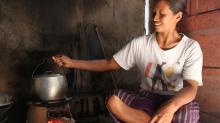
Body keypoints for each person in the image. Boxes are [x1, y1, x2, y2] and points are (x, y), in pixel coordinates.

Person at [52, 0, 203, 122]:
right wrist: (72, 63)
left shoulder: (190, 47)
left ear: (178, 17)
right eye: (153, 13)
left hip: (175, 99)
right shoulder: (140, 44)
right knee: (113, 101)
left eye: (162, 14)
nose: (155, 18)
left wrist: (170, 107)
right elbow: (109, 63)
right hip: (147, 98)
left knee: (190, 113)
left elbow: (191, 88)